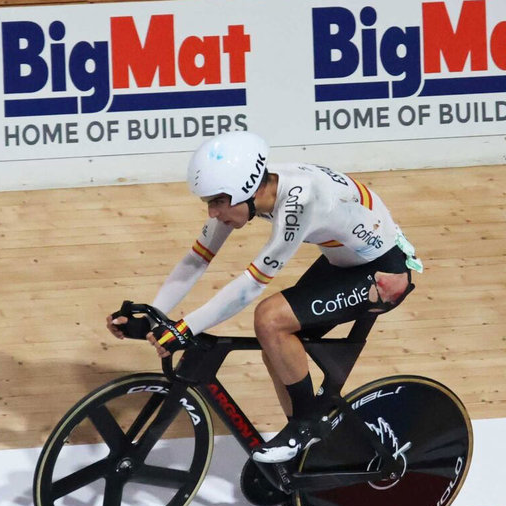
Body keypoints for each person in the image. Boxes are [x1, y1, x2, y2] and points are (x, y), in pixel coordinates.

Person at [106, 131, 422, 464]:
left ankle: (306, 426)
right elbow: (197, 258)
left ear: (248, 189)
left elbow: (252, 284)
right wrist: (155, 313)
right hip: (346, 262)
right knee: (277, 344)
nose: (213, 213)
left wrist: (186, 327)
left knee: (270, 319)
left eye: (217, 201)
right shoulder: (252, 189)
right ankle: (308, 453)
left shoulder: (300, 201)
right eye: (208, 203)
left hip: (384, 275)